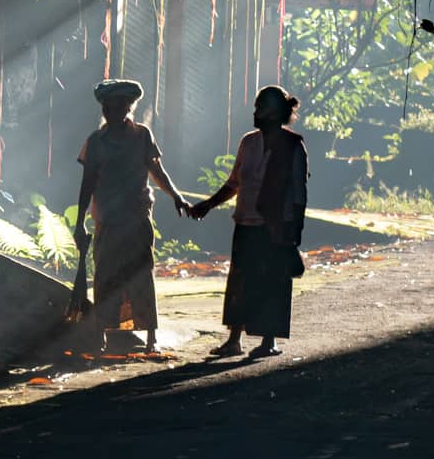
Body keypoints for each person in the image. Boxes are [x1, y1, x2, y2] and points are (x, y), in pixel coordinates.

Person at [189, 85, 308, 359]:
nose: (257, 112)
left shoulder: (293, 146)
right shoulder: (248, 142)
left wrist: (295, 232)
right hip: (245, 222)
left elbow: (299, 193)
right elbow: (234, 183)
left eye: (263, 107)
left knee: (272, 283)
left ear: (278, 112)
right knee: (241, 282)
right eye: (257, 106)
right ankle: (234, 340)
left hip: (276, 226)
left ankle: (269, 341)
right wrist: (207, 205)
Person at [73, 79, 190, 353]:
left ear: (129, 108)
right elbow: (87, 183)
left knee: (141, 273)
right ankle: (102, 336)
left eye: (118, 107)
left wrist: (177, 197)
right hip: (107, 220)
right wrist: (79, 221)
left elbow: (156, 171)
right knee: (105, 276)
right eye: (108, 107)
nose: (112, 112)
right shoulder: (95, 142)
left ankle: (151, 338)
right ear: (103, 109)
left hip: (136, 218)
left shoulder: (142, 136)